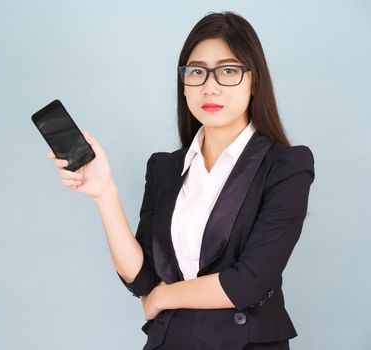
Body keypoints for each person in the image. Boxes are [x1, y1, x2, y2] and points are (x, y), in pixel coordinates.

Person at [47, 11, 314, 350]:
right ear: (184, 84)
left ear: (254, 81)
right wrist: (105, 194)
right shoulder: (164, 168)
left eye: (228, 70)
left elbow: (249, 282)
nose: (210, 85)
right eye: (197, 72)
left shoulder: (286, 166)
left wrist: (163, 299)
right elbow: (142, 278)